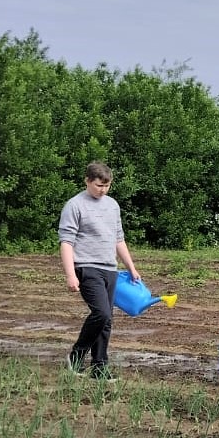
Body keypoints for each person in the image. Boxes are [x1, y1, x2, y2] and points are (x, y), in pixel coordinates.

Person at [59, 161, 141, 382]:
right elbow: (66, 242)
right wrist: (70, 274)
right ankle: (76, 355)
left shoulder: (113, 205)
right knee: (101, 313)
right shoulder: (74, 205)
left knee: (107, 321)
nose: (103, 190)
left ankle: (99, 369)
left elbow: (118, 239)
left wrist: (131, 267)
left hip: (109, 268)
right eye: (98, 185)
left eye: (107, 186)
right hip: (86, 267)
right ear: (87, 180)